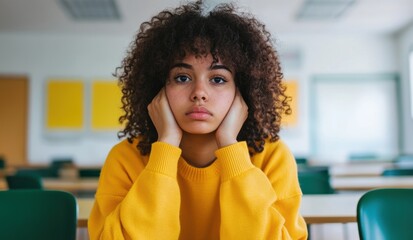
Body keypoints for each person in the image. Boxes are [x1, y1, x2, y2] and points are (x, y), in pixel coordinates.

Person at [88, 1, 308, 239]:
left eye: (218, 79)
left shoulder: (271, 157)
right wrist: (166, 147)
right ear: (158, 88)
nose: (199, 92)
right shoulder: (125, 158)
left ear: (242, 91)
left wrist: (231, 148)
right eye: (182, 78)